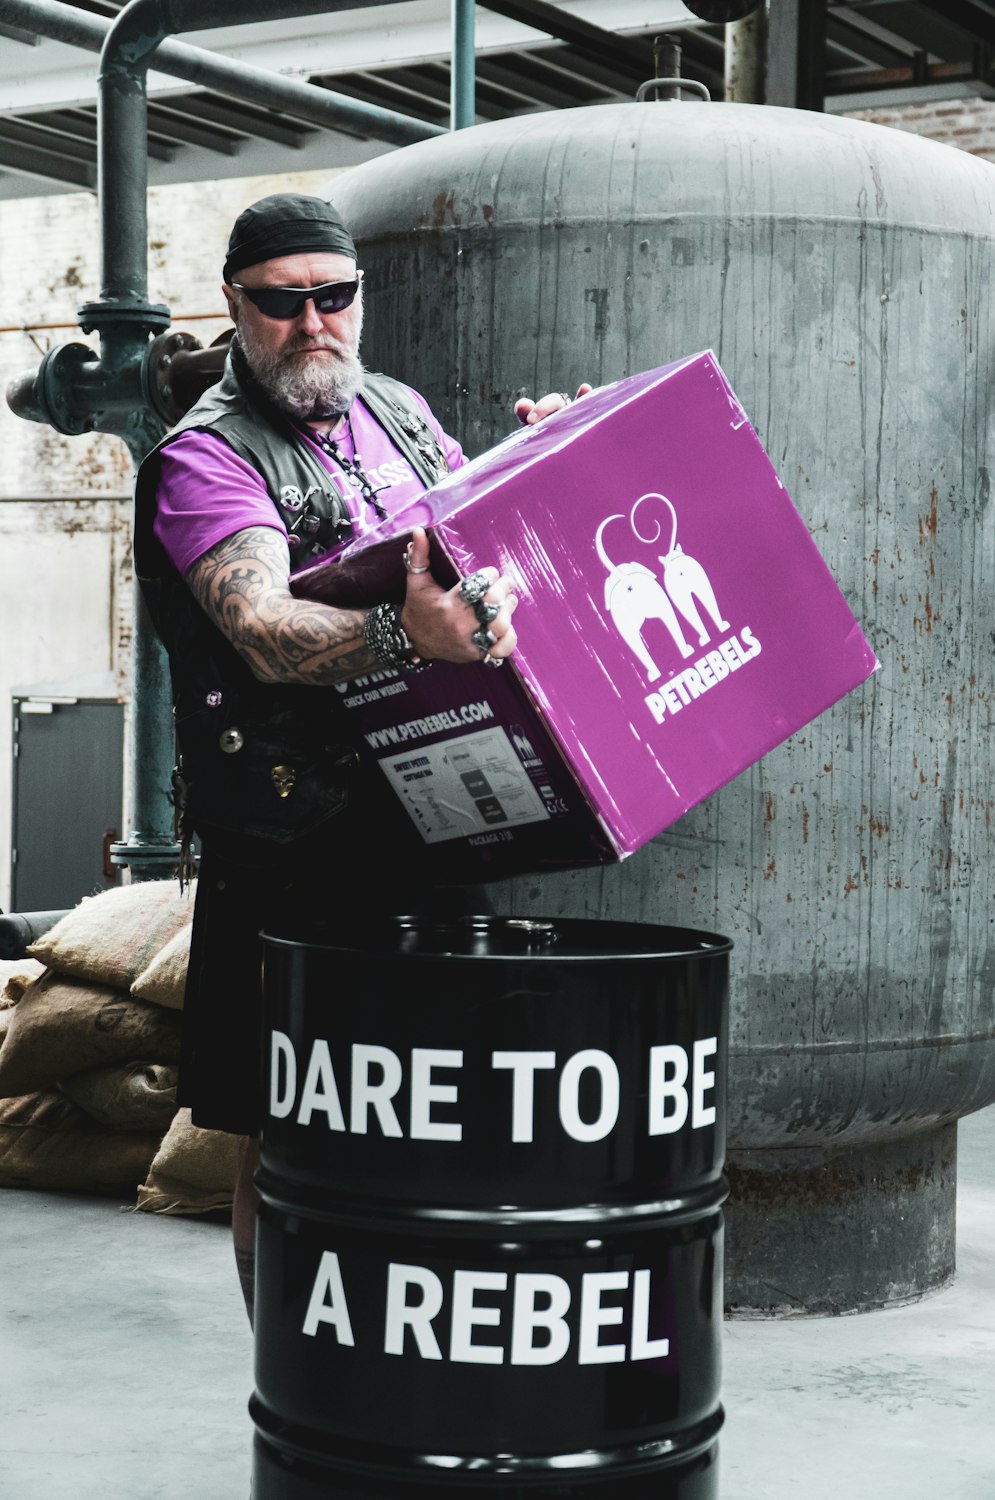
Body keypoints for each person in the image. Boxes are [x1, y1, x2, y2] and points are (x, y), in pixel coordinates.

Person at [133, 192, 586, 1325]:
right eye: (282, 304)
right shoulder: (206, 459)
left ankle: (408, 1371)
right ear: (236, 307)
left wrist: (542, 462)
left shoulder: (396, 410)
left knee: (436, 1102)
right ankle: (298, 1376)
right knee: (295, 1122)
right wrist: (401, 635)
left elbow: (460, 542)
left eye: (333, 297)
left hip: (428, 811)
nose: (312, 324)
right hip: (292, 840)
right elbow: (263, 628)